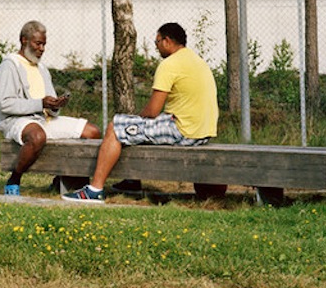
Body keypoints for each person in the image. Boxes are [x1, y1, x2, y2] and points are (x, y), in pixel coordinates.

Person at [62, 21, 218, 203]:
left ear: (166, 41)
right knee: (133, 129)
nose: (157, 47)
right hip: (204, 131)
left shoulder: (170, 64)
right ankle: (131, 180)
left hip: (183, 130)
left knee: (116, 127)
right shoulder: (197, 61)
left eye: (157, 42)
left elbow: (152, 110)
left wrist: (136, 118)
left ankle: (94, 190)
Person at [0, 20, 101, 196]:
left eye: (44, 44)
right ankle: (14, 179)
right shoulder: (9, 65)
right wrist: (40, 103)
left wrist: (55, 106)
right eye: (38, 43)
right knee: (37, 136)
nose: (42, 48)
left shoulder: (42, 68)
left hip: (44, 118)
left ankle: (73, 182)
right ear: (24, 41)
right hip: (16, 120)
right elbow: (5, 104)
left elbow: (48, 102)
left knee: (93, 132)